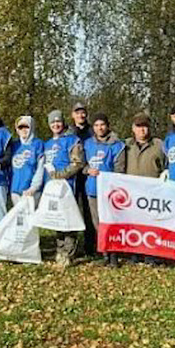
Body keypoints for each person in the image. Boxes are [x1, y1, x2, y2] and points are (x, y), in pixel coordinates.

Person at [113, 113, 168, 265]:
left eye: (145, 126)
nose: (142, 130)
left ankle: (151, 255)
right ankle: (134, 253)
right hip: (132, 192)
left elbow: (167, 164)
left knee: (152, 224)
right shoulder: (126, 145)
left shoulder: (159, 145)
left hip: (153, 192)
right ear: (133, 128)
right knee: (133, 223)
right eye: (138, 127)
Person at [42, 109, 86, 265]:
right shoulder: (47, 143)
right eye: (52, 122)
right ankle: (59, 249)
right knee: (56, 218)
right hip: (52, 188)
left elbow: (78, 163)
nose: (56, 124)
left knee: (68, 219)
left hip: (67, 186)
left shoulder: (72, 140)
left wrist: (60, 175)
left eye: (58, 121)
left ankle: (68, 252)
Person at [81, 113, 124, 267]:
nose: (100, 128)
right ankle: (105, 253)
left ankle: (114, 254)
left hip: (110, 192)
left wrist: (109, 178)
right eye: (96, 125)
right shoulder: (87, 144)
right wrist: (87, 170)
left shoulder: (117, 145)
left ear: (107, 126)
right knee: (97, 223)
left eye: (102, 125)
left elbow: (120, 169)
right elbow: (82, 164)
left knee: (111, 222)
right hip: (92, 190)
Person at [68, 103, 97, 255]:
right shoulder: (68, 132)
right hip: (72, 176)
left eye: (83, 112)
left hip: (88, 175)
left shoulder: (93, 131)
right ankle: (71, 246)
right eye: (77, 113)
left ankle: (90, 246)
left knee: (89, 211)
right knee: (71, 210)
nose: (81, 115)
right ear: (73, 115)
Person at [5, 115, 46, 205]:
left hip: (31, 191)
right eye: (20, 127)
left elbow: (40, 169)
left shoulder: (38, 145)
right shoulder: (14, 145)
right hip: (15, 191)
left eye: (26, 127)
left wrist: (34, 188)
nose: (23, 130)